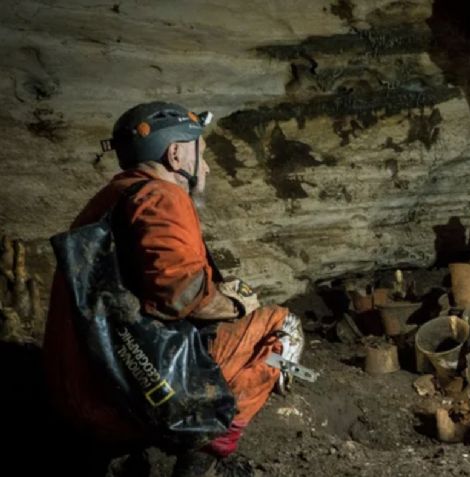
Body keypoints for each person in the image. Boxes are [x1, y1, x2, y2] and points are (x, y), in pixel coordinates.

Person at [42, 102, 303, 477]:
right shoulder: (161, 197)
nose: (208, 166)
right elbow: (181, 295)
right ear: (176, 153)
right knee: (281, 328)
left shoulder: (109, 199)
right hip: (129, 398)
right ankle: (207, 455)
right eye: (203, 154)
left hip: (83, 391)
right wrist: (235, 305)